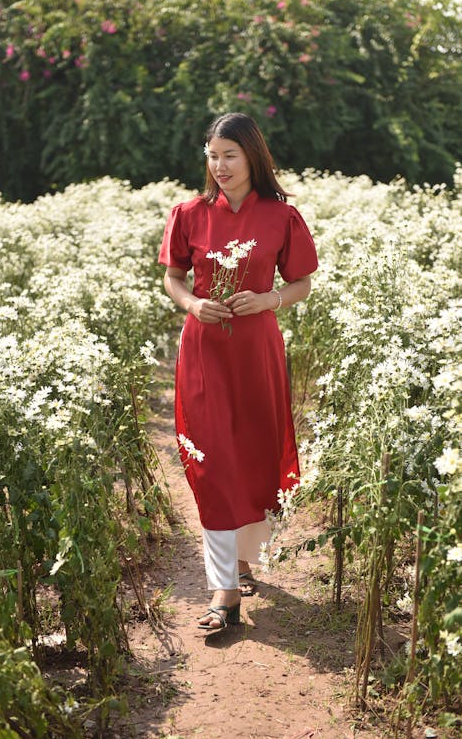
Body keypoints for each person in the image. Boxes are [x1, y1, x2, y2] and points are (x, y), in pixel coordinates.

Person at [158, 112, 318, 632]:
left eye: (230, 154)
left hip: (257, 350)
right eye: (212, 155)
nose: (219, 165)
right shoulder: (187, 213)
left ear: (253, 156)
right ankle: (223, 592)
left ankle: (244, 559)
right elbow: (174, 279)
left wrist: (267, 299)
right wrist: (193, 306)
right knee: (211, 459)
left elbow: (300, 284)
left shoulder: (281, 217)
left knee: (254, 452)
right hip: (204, 349)